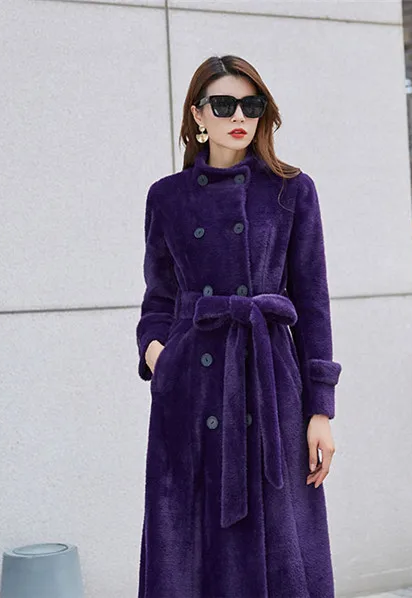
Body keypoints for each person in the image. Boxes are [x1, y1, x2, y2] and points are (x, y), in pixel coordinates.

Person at [135, 55, 342, 598]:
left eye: (251, 105)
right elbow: (159, 297)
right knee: (187, 544)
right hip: (191, 390)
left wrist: (320, 409)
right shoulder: (167, 197)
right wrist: (159, 355)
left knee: (281, 544)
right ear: (198, 114)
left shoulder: (292, 190)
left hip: (270, 388)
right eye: (224, 104)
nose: (239, 117)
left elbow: (313, 303)